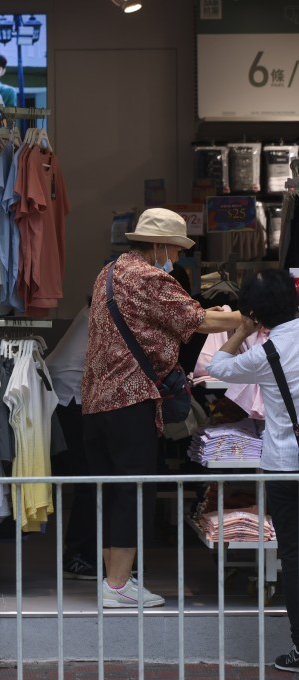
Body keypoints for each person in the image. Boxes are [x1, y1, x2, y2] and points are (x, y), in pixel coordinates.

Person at [81, 208, 241, 608]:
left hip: (97, 401)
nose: (176, 255)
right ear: (157, 245)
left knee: (111, 491)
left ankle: (113, 582)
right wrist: (253, 317)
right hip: (130, 400)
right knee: (134, 491)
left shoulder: (109, 272)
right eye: (174, 247)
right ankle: (118, 587)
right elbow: (198, 320)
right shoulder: (149, 276)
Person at [207, 268, 299, 672]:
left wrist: (243, 331)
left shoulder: (266, 352)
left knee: (294, 558)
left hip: (285, 466)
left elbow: (220, 368)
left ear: (256, 313)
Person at [44, 301, 97, 580]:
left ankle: (83, 551)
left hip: (65, 397)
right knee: (90, 479)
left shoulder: (88, 313)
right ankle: (77, 555)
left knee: (88, 478)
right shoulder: (99, 317)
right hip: (69, 400)